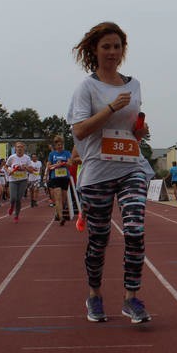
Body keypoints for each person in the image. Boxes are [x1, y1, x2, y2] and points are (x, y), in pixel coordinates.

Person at [67, 21, 154, 323]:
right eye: (106, 46)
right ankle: (94, 294)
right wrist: (110, 109)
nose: (112, 52)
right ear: (94, 49)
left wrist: (139, 132)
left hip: (131, 166)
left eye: (117, 46)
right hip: (97, 172)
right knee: (99, 239)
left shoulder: (134, 85)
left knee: (134, 230)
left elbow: (129, 126)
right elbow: (79, 130)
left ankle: (131, 298)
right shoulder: (87, 88)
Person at [46, 136, 73, 224]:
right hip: (55, 178)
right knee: (57, 197)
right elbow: (49, 166)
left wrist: (63, 163)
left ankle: (58, 213)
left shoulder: (67, 153)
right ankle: (61, 218)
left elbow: (70, 164)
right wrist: (56, 165)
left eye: (61, 145)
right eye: (58, 145)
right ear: (55, 146)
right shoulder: (52, 154)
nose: (60, 146)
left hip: (65, 177)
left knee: (63, 199)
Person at [6, 142, 33, 222]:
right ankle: (11, 206)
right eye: (18, 147)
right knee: (13, 198)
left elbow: (31, 170)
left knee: (18, 199)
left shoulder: (27, 158)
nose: (19, 148)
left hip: (23, 180)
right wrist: (8, 171)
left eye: (21, 147)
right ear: (15, 148)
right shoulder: (12, 157)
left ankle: (16, 216)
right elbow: (6, 166)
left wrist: (26, 168)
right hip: (13, 180)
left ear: (24, 148)